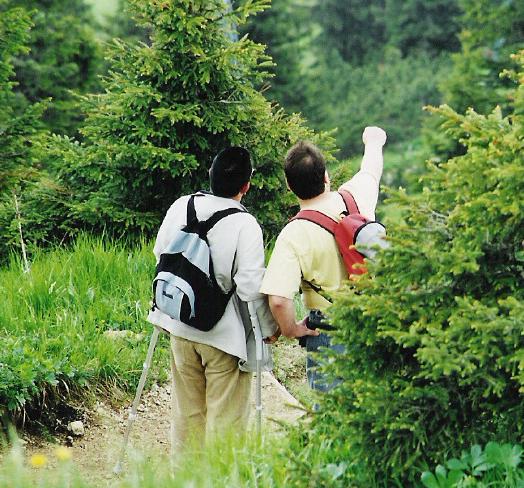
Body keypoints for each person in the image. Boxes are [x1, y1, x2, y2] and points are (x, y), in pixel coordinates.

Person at [148, 146, 279, 455]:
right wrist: (269, 328)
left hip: (178, 325)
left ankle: (186, 487)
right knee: (226, 422)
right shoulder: (245, 224)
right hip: (222, 339)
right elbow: (249, 287)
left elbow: (160, 254)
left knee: (187, 415)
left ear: (210, 175)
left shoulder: (183, 205)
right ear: (246, 185)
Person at [260, 126, 387, 394]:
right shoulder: (355, 197)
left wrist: (292, 329)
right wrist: (374, 140)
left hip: (329, 333)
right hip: (373, 322)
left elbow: (280, 300)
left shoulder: (293, 234)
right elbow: (371, 168)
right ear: (326, 176)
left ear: (289, 186)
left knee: (331, 416)